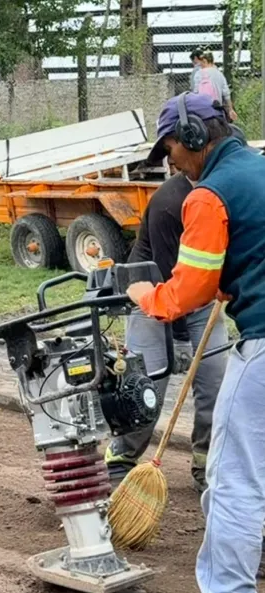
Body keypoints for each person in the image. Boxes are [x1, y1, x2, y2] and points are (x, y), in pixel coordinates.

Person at [127, 91, 265, 593]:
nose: (171, 164)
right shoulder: (259, 171)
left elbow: (190, 290)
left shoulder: (208, 195)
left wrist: (148, 296)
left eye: (170, 152)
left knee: (232, 482)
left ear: (193, 138)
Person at [104, 171, 229, 493]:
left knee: (217, 390)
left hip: (202, 303)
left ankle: (206, 465)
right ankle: (121, 458)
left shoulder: (227, 194)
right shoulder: (168, 204)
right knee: (144, 393)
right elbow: (169, 281)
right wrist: (180, 338)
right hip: (149, 297)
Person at [192, 51, 237, 121]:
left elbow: (195, 92)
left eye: (201, 62)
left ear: (205, 61)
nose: (200, 65)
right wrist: (231, 110)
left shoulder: (198, 74)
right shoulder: (220, 74)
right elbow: (226, 94)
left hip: (202, 110)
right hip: (217, 108)